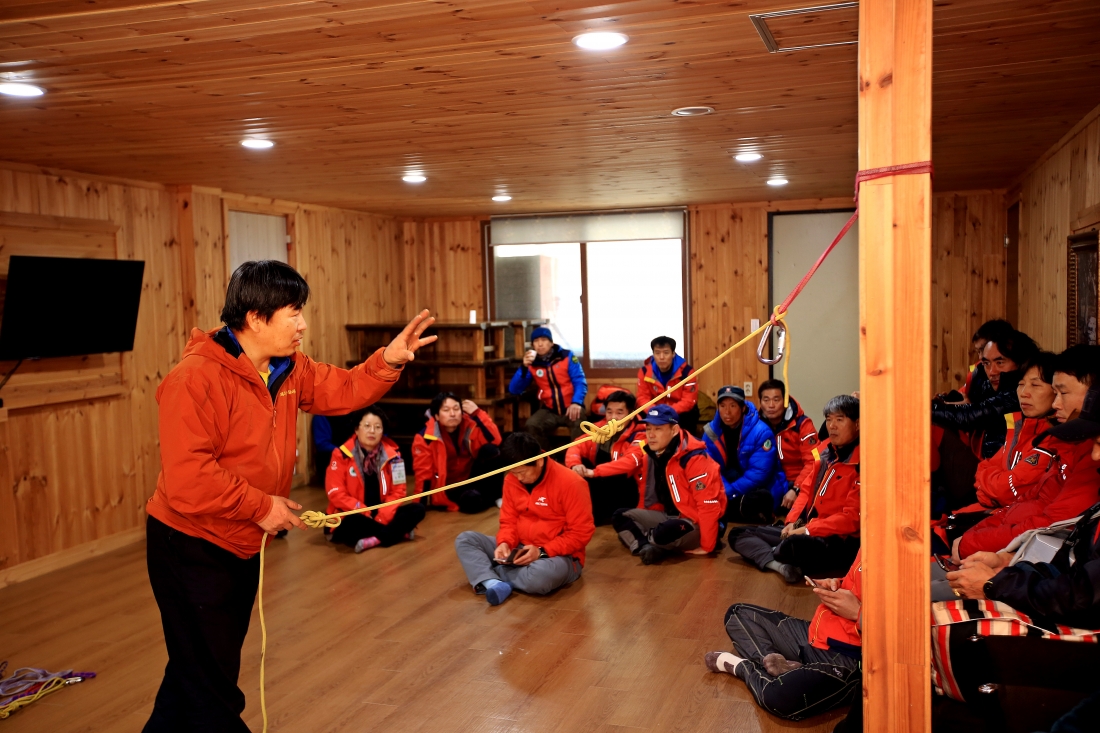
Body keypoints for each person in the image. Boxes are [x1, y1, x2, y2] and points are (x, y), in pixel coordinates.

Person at [143, 260, 435, 732]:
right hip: (191, 545)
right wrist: (262, 506)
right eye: (293, 313)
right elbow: (189, 477)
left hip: (241, 540)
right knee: (209, 684)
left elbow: (344, 388)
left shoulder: (288, 369)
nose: (303, 324)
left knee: (195, 673)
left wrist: (389, 360)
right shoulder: (194, 379)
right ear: (256, 318)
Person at [950, 383, 1100, 564]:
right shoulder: (1024, 428)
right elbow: (987, 471)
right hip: (1009, 529)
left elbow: (1007, 492)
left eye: (1035, 385)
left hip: (1024, 543)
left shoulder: (1066, 447)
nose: (1024, 393)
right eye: (1020, 384)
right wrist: (973, 538)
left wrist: (974, 545)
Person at [705, 552, 863, 721]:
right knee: (738, 613)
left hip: (849, 656)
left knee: (779, 698)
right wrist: (837, 584)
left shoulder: (882, 548)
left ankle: (743, 668)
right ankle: (776, 663)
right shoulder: (869, 543)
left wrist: (859, 613)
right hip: (818, 632)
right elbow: (856, 582)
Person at [454, 433, 595, 606]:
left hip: (557, 557)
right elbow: (508, 521)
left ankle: (489, 575)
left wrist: (541, 552)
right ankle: (494, 584)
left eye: (522, 472)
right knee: (466, 540)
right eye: (513, 472)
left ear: (539, 461)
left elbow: (581, 533)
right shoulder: (511, 480)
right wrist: (504, 543)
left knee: (540, 577)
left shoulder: (572, 483)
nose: (519, 478)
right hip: (518, 549)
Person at [730, 395, 861, 582]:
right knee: (737, 534)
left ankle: (774, 554)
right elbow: (806, 491)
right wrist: (792, 522)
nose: (832, 426)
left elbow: (851, 519)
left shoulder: (862, 463)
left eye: (839, 420)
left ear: (857, 424)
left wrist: (807, 530)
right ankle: (780, 565)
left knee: (793, 545)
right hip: (805, 527)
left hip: (836, 540)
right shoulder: (825, 452)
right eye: (829, 419)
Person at [611, 404, 727, 564]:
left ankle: (648, 541)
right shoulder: (655, 453)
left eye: (658, 429)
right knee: (620, 516)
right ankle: (647, 546)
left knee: (663, 532)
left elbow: (708, 506)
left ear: (674, 430)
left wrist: (707, 546)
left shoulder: (694, 458)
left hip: (695, 521)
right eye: (648, 429)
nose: (651, 434)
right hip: (668, 516)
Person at [324, 406, 425, 551]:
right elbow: (336, 493)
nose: (372, 431)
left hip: (382, 511)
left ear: (383, 431)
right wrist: (363, 510)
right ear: (356, 429)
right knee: (352, 523)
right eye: (367, 426)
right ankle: (395, 533)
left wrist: (384, 514)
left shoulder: (394, 456)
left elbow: (399, 491)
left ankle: (375, 539)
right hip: (353, 513)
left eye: (378, 427)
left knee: (418, 509)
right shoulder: (340, 455)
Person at [933, 328, 1040, 459]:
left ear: (1021, 363)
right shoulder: (988, 384)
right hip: (986, 463)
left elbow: (969, 416)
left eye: (1000, 363)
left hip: (999, 467)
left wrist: (925, 409)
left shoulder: (1018, 393)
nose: (991, 371)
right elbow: (971, 404)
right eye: (986, 363)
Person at [702, 385, 783, 524]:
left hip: (755, 488)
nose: (727, 411)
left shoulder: (761, 432)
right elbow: (708, 466)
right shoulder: (711, 432)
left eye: (733, 406)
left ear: (743, 408)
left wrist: (728, 493)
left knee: (758, 499)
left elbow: (759, 474)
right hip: (725, 487)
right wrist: (725, 490)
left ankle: (723, 510)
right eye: (722, 406)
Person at [412, 392, 504, 513]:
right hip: (448, 487)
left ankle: (496, 496)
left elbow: (496, 440)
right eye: (446, 410)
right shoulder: (425, 437)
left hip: (471, 477)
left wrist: (478, 413)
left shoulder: (469, 423)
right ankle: (486, 498)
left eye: (456, 409)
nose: (452, 414)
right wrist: (419, 505)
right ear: (437, 416)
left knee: (491, 450)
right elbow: (423, 473)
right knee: (472, 503)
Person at [565, 389, 645, 525]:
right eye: (609, 412)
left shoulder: (640, 434)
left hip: (626, 488)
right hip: (600, 482)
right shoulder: (599, 428)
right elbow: (576, 446)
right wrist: (575, 464)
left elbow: (630, 462)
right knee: (576, 468)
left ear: (631, 414)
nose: (613, 417)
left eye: (619, 413)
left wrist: (594, 472)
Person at [509, 326, 587, 451]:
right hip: (550, 410)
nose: (540, 344)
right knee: (532, 425)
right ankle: (549, 458)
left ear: (551, 343)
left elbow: (579, 381)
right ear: (533, 345)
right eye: (536, 341)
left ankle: (576, 459)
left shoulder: (566, 356)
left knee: (580, 425)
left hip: (571, 406)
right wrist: (523, 367)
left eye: (544, 340)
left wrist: (577, 402)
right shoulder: (532, 363)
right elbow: (514, 389)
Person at [757, 379, 819, 516]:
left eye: (776, 400)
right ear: (760, 402)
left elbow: (813, 461)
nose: (771, 405)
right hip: (770, 480)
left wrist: (796, 488)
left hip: (798, 481)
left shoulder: (803, 425)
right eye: (766, 400)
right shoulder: (756, 425)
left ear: (785, 401)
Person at [637, 335, 699, 434]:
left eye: (666, 353)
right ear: (653, 354)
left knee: (692, 413)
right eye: (657, 353)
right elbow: (642, 398)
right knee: (639, 413)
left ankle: (684, 441)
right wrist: (655, 411)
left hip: (679, 412)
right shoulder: (644, 372)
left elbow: (688, 401)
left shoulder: (687, 372)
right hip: (654, 410)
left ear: (673, 354)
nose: (661, 357)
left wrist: (667, 412)